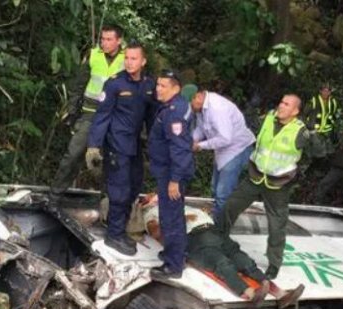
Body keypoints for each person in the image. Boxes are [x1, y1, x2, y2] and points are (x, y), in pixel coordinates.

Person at [219, 94, 325, 279]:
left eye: (286, 104)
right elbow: (247, 128)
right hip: (255, 175)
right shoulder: (267, 119)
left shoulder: (300, 131)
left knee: (277, 225)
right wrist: (250, 110)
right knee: (230, 207)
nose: (281, 106)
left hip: (278, 183)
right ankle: (218, 240)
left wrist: (313, 133)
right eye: (281, 102)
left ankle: (274, 264)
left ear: (295, 111)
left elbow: (320, 153)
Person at [142, 196, 305, 308]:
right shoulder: (151, 213)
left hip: (214, 232)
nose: (156, 196)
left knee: (243, 260)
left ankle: (280, 294)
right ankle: (249, 293)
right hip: (194, 238)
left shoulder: (181, 204)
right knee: (221, 262)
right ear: (147, 203)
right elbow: (157, 233)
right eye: (152, 197)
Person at [85, 42, 157, 257]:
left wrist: (155, 145)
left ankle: (120, 227)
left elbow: (151, 117)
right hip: (116, 144)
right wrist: (93, 146)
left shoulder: (148, 85)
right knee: (120, 189)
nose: (129, 62)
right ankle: (114, 234)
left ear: (143, 61)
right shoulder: (114, 84)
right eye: (127, 58)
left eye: (134, 59)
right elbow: (101, 116)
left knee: (134, 186)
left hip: (135, 145)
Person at [49, 25, 125, 201]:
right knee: (73, 154)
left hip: (114, 115)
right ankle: (54, 196)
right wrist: (72, 110)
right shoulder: (93, 55)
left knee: (111, 160)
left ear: (118, 40)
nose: (104, 43)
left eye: (109, 39)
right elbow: (79, 85)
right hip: (90, 113)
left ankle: (108, 203)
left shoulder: (127, 58)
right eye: (102, 39)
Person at [147, 70, 195, 280]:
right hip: (168, 170)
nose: (158, 89)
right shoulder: (176, 105)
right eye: (158, 85)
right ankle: (175, 254)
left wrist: (174, 180)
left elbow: (179, 148)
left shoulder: (174, 112)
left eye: (163, 86)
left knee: (171, 218)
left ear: (175, 88)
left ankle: (173, 266)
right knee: (173, 215)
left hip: (171, 173)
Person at [187, 85, 256, 221]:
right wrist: (191, 140)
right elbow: (202, 128)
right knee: (215, 188)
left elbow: (225, 138)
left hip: (236, 149)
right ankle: (217, 220)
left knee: (223, 193)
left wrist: (200, 146)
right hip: (223, 150)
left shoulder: (217, 109)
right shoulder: (202, 108)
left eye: (190, 103)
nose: (189, 107)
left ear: (199, 96)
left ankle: (220, 229)